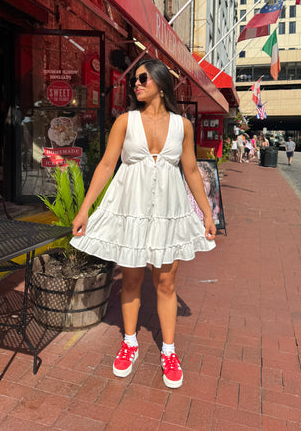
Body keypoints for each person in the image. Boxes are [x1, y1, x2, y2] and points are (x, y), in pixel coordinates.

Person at [71, 58, 217, 389]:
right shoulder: (125, 121)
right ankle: (130, 342)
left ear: (161, 85)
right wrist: (85, 209)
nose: (135, 84)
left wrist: (207, 214)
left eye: (142, 79)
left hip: (168, 212)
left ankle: (168, 350)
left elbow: (192, 170)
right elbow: (107, 164)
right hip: (131, 210)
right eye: (135, 80)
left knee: (166, 283)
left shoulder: (184, 126)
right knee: (132, 280)